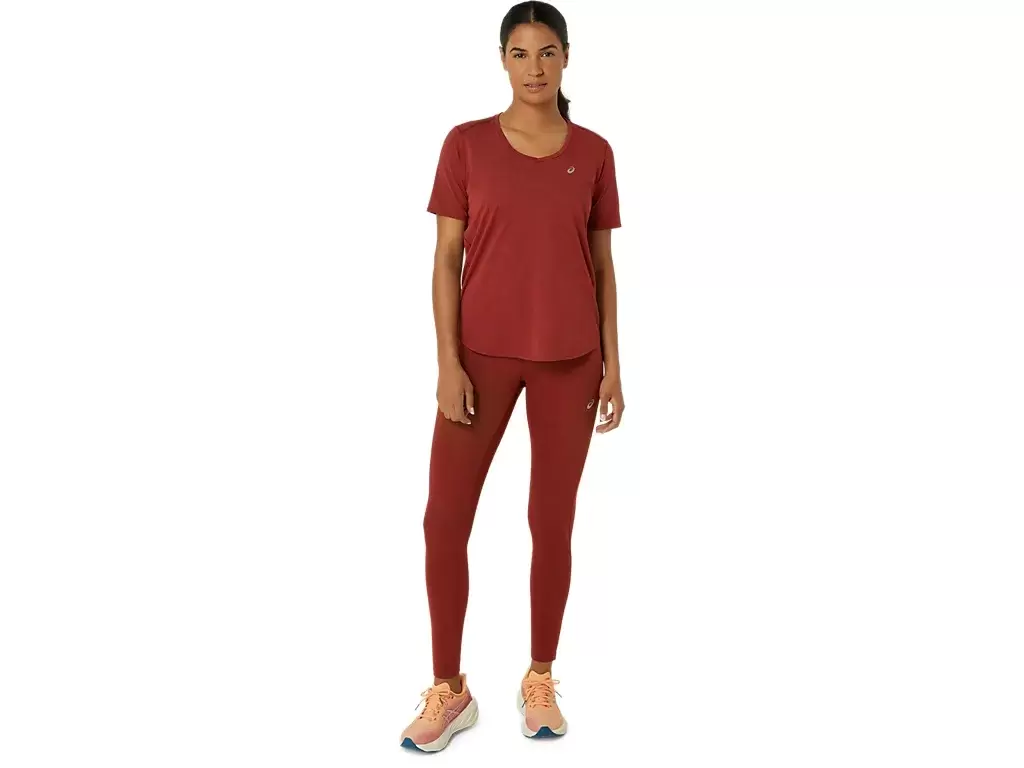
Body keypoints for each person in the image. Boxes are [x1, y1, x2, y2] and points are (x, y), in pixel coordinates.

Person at [400, 1, 625, 752]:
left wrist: (614, 366)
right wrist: (448, 363)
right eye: (521, 53)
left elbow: (602, 266)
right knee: (443, 520)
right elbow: (445, 258)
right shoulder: (465, 144)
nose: (535, 68)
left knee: (551, 522)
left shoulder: (594, 153)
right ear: (502, 59)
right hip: (481, 360)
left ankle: (540, 677)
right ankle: (449, 689)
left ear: (566, 59)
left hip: (572, 362)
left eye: (547, 52)